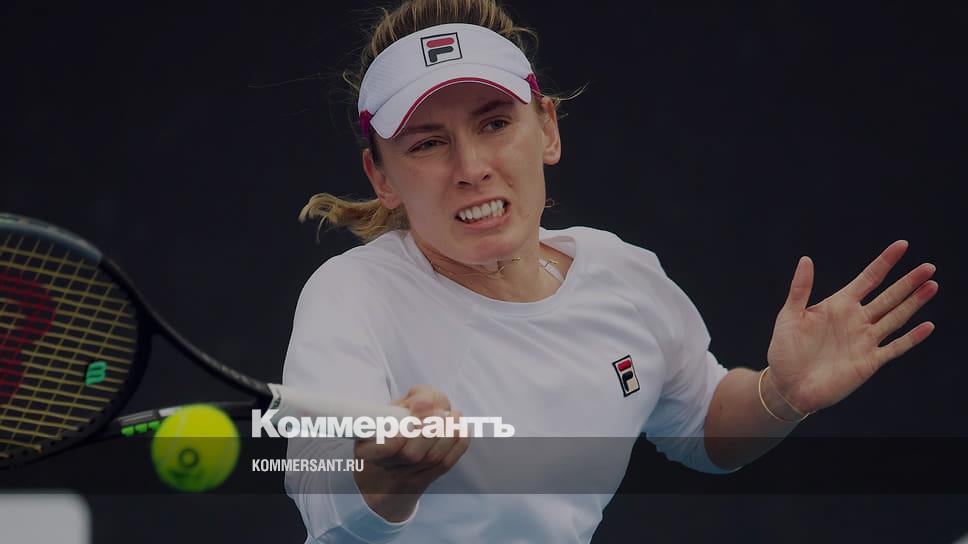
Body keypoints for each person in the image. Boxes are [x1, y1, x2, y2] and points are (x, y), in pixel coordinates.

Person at [281, 1, 939, 542]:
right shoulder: (350, 297)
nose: (471, 167)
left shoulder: (623, 277)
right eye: (428, 143)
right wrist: (385, 476)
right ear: (381, 175)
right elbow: (320, 490)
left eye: (495, 123)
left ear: (547, 128)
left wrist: (780, 395)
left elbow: (703, 424)